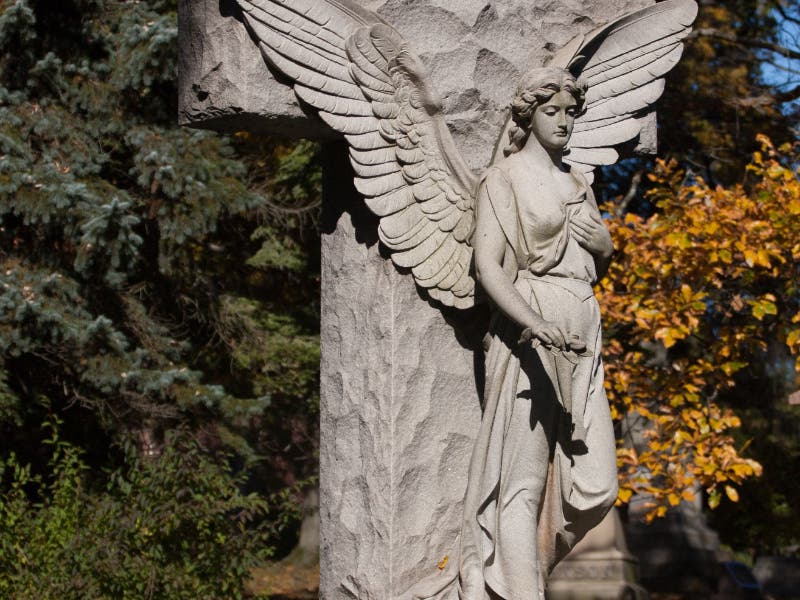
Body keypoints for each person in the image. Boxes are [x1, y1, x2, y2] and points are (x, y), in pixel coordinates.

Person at [457, 67, 619, 600]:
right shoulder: (503, 179)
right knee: (521, 486)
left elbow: (598, 258)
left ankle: (523, 568)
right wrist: (534, 322)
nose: (565, 122)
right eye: (553, 111)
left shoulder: (578, 182)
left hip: (583, 325)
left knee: (598, 485)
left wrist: (603, 245)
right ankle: (519, 588)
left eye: (572, 112)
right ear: (528, 116)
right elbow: (489, 268)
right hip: (531, 331)